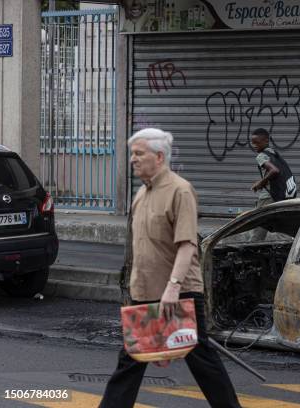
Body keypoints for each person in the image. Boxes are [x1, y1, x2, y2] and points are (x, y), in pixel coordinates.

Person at [100, 128, 241, 408]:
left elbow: (188, 245)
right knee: (132, 359)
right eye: (132, 154)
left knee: (201, 359)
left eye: (139, 153)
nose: (133, 159)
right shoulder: (141, 193)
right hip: (146, 291)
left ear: (160, 156)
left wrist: (173, 288)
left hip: (179, 293)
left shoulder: (180, 190)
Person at [250, 128, 280, 208]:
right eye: (253, 143)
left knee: (258, 218)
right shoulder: (273, 152)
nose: (254, 146)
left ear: (266, 141)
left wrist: (261, 183)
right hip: (278, 194)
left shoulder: (261, 156)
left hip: (268, 196)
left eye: (257, 143)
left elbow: (274, 170)